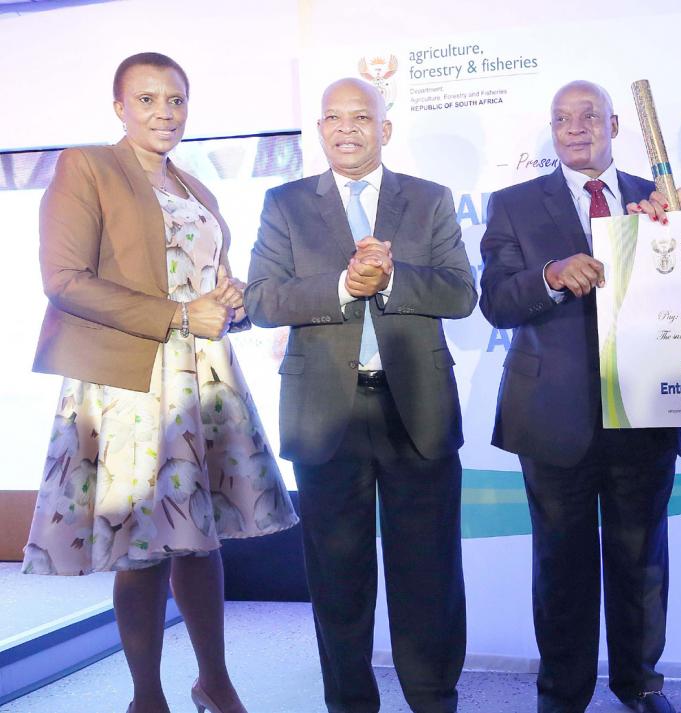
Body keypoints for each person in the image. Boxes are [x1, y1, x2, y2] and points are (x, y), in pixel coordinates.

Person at [23, 52, 297, 713]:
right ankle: (147, 695)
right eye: (147, 100)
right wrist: (178, 311)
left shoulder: (195, 186)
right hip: (127, 381)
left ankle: (215, 679)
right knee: (141, 547)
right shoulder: (86, 165)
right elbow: (63, 280)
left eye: (175, 100)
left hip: (199, 378)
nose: (164, 112)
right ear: (119, 107)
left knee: (198, 540)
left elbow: (203, 277)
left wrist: (227, 296)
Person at [244, 77, 476, 713]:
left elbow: (461, 293)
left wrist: (395, 274)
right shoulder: (284, 203)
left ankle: (434, 701)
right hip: (326, 416)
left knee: (428, 577)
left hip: (418, 412)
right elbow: (262, 300)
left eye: (361, 118)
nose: (346, 129)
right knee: (338, 581)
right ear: (319, 129)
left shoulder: (428, 200)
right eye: (333, 118)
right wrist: (344, 286)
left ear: (386, 128)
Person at [479, 80, 681, 713]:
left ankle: (640, 685)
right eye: (562, 118)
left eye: (588, 116)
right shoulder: (512, 204)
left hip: (643, 409)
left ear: (614, 125)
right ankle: (561, 694)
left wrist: (671, 241)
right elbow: (496, 303)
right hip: (551, 416)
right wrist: (551, 276)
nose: (575, 128)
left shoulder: (660, 199)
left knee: (640, 560)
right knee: (561, 566)